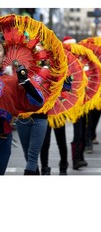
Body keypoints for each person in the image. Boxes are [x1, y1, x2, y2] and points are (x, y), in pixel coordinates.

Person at [0, 42, 45, 175]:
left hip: (2, 138)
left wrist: (25, 82)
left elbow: (38, 102)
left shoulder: (12, 80)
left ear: (4, 57)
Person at [14, 65, 47, 175]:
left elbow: (40, 101)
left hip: (40, 117)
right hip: (22, 118)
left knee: (32, 157)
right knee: (28, 156)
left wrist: (26, 82)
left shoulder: (47, 70)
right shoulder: (14, 72)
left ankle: (51, 168)